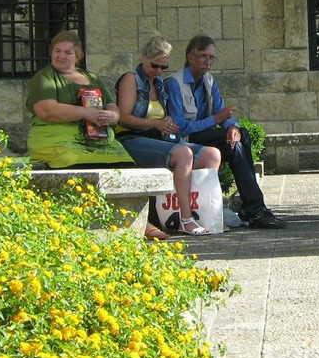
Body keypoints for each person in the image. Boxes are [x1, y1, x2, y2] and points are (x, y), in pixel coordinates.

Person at [163, 35, 287, 229]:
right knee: (234, 143)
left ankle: (253, 208)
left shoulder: (209, 81)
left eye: (211, 57)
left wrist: (232, 127)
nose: (208, 61)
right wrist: (216, 120)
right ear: (190, 56)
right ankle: (254, 209)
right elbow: (180, 127)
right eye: (203, 56)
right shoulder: (174, 83)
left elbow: (221, 111)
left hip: (205, 135)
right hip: (185, 140)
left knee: (239, 137)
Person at [116, 34, 222, 238]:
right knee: (184, 154)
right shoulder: (132, 79)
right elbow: (123, 118)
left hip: (158, 138)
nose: (158, 72)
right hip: (131, 139)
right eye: (155, 66)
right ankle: (186, 219)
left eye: (163, 67)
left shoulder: (159, 83)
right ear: (144, 58)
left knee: (212, 155)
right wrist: (153, 123)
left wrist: (168, 123)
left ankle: (209, 215)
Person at [26, 30, 133, 169]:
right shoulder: (44, 77)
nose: (61, 56)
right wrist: (86, 113)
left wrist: (112, 116)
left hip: (100, 142)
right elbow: (46, 110)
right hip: (58, 141)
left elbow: (111, 105)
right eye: (57, 51)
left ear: (78, 56)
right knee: (77, 163)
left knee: (125, 165)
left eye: (68, 52)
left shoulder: (92, 77)